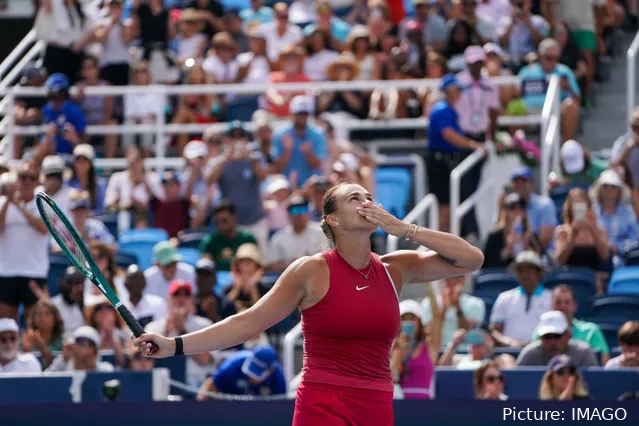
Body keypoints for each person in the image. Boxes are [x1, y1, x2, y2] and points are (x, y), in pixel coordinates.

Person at [134, 182, 484, 425]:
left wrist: (405, 229)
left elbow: (471, 259)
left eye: (368, 196)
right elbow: (248, 322)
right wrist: (175, 346)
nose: (365, 202)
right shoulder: (311, 270)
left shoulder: (396, 269)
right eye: (353, 198)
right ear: (332, 219)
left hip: (377, 403)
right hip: (323, 402)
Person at [426, 74, 485, 232]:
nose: (460, 93)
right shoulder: (442, 110)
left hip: (446, 161)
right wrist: (473, 145)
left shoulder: (448, 109)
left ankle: (449, 245)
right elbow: (449, 135)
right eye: (457, 89)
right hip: (440, 162)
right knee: (445, 204)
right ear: (449, 91)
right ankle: (437, 243)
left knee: (453, 203)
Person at [0, 162, 50, 320]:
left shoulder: (43, 204)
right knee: (5, 328)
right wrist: (9, 201)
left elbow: (44, 228)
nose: (27, 181)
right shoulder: (2, 204)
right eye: (23, 177)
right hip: (6, 272)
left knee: (35, 326)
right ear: (16, 180)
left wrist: (18, 205)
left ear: (37, 181)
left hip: (34, 272)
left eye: (32, 177)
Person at [530, 285, 610, 364]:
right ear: (551, 306)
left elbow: (604, 364)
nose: (562, 306)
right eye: (558, 302)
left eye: (567, 302)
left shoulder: (591, 331)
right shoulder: (540, 332)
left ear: (575, 306)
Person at [489, 251, 552, 347]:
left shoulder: (552, 297)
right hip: (508, 352)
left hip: (542, 352)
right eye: (521, 270)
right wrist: (510, 343)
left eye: (529, 270)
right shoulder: (504, 298)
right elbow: (494, 330)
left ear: (538, 272)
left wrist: (536, 344)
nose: (525, 274)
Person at [391, 297, 440, 399]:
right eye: (404, 319)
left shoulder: (429, 348)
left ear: (420, 322)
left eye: (412, 318)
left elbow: (437, 317)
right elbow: (390, 378)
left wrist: (429, 286)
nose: (409, 322)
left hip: (424, 407)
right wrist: (399, 351)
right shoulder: (392, 348)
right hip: (399, 405)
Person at [196, 345, 286, 399]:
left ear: (270, 371)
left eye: (257, 373)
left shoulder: (278, 377)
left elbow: (281, 407)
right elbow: (210, 384)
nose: (252, 377)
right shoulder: (234, 363)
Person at [516, 310, 599, 367]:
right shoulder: (529, 354)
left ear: (568, 336)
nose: (552, 342)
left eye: (557, 336)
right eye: (547, 337)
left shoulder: (583, 353)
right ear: (540, 338)